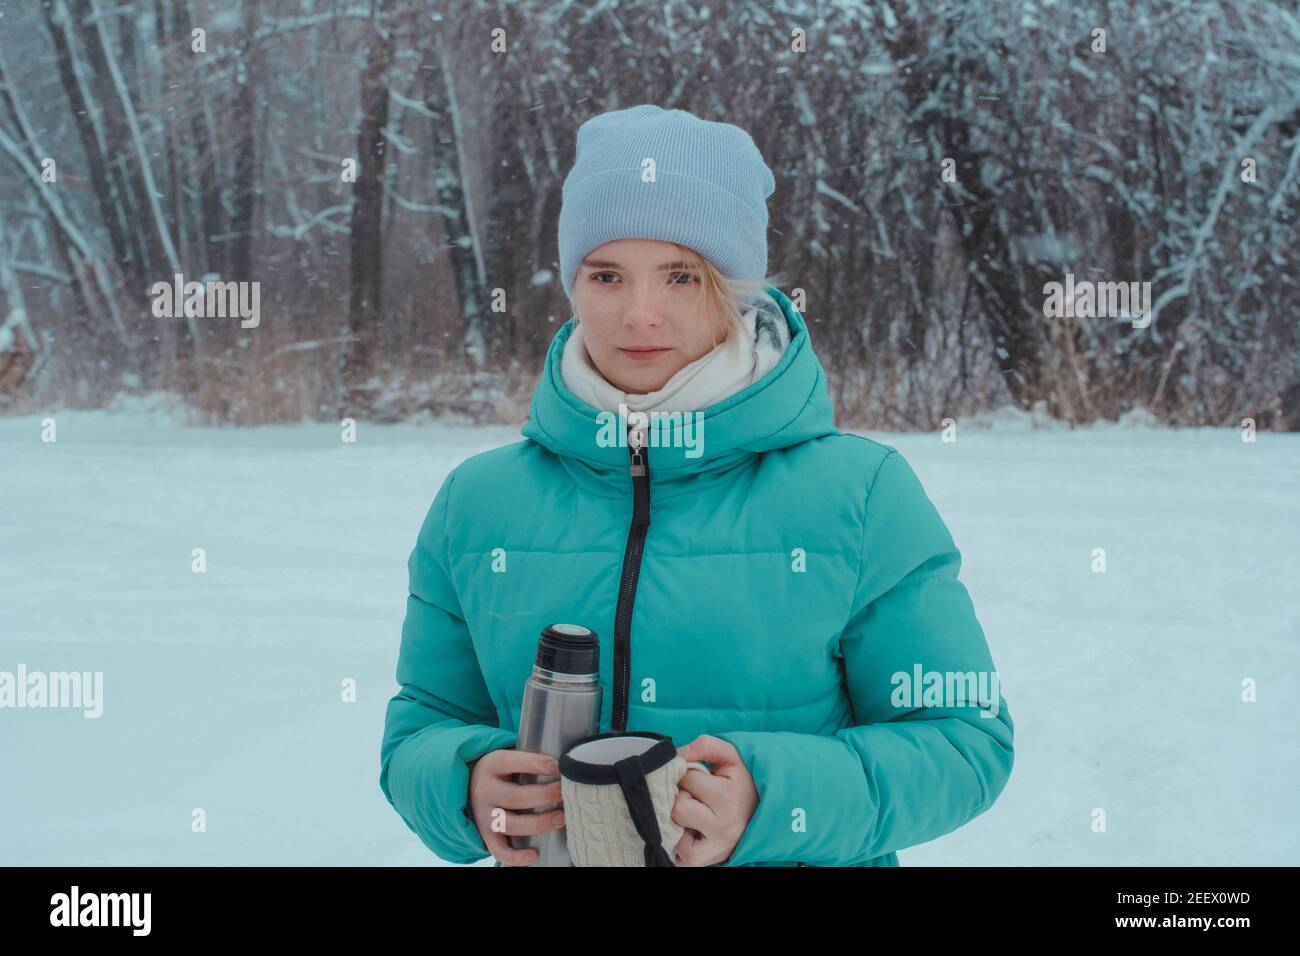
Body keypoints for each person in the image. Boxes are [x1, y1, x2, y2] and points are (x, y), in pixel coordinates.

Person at [379, 104, 1014, 867]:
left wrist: (778, 799)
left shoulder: (861, 494)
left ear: (734, 288)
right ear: (572, 285)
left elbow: (964, 738)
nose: (639, 313)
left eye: (681, 276)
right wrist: (465, 783)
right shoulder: (477, 504)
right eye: (606, 274)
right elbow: (422, 724)